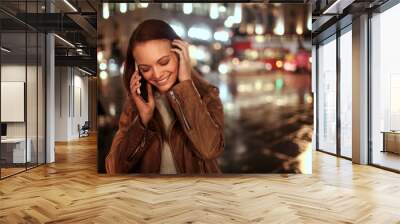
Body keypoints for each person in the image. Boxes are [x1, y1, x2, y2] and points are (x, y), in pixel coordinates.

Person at [105, 19, 224, 174]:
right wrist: (142, 121)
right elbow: (114, 169)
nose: (157, 74)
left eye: (164, 62)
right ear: (136, 69)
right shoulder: (135, 105)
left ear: (180, 55)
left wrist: (186, 88)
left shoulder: (207, 94)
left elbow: (210, 150)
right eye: (145, 68)